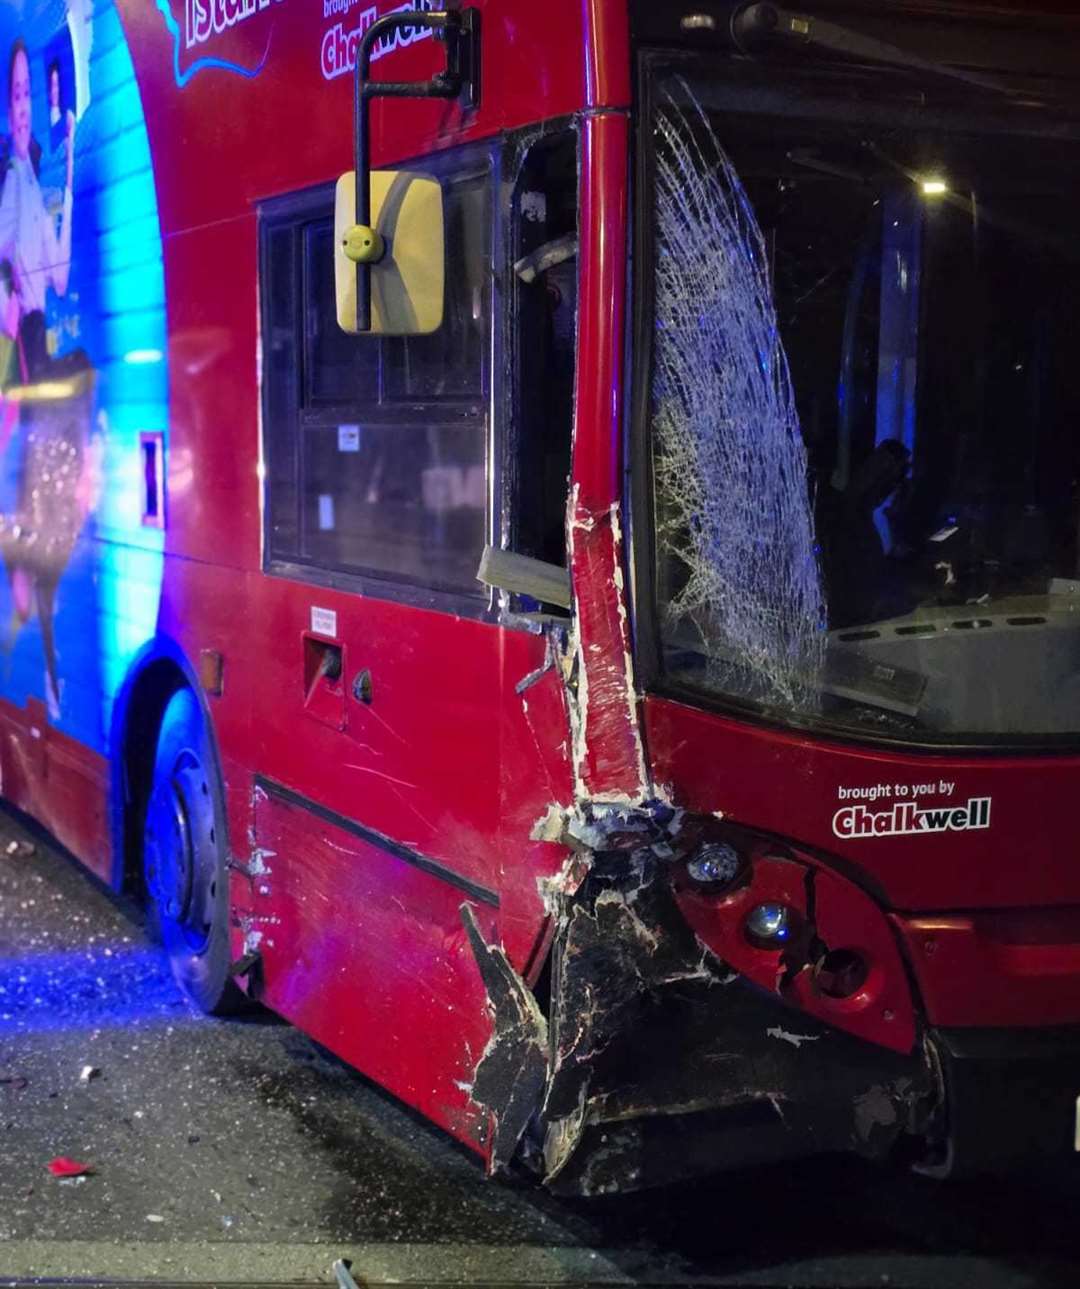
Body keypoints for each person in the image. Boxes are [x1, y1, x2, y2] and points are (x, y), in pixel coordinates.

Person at [0, 36, 86, 721]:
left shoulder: (39, 176)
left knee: (56, 523)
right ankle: (48, 664)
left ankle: (55, 666)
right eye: (20, 94)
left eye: (34, 93)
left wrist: (74, 148)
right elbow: (13, 278)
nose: (28, 106)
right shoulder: (9, 182)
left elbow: (58, 273)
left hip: (46, 355)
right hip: (24, 360)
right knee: (40, 524)